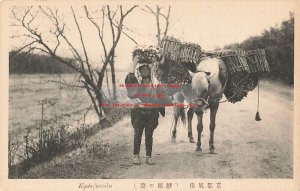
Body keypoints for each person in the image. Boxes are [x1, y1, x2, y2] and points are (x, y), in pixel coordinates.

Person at [125, 55, 167, 165]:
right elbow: (130, 76)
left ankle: (148, 157)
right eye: (142, 69)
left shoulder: (154, 82)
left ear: (149, 71)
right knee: (138, 134)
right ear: (139, 71)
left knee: (149, 134)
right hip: (139, 113)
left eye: (146, 69)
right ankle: (136, 156)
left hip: (151, 112)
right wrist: (134, 62)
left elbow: (161, 95)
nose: (144, 71)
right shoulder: (136, 82)